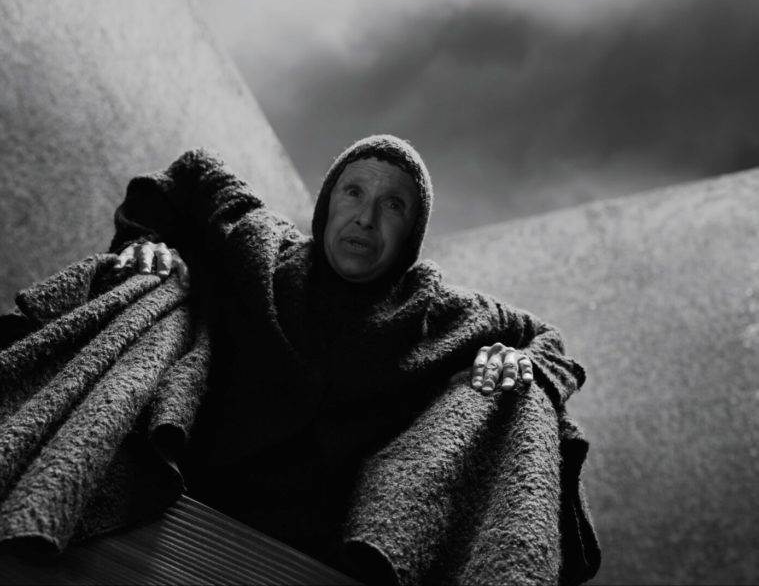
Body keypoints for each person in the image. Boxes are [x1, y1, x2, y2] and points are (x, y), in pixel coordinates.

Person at [109, 135, 585, 571]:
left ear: (412, 232)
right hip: (171, 513)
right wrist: (142, 243)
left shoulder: (433, 311)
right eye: (353, 192)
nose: (366, 218)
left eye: (393, 205)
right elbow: (191, 174)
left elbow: (546, 339)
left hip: (325, 563)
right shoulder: (266, 248)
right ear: (327, 202)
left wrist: (525, 363)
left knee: (523, 397)